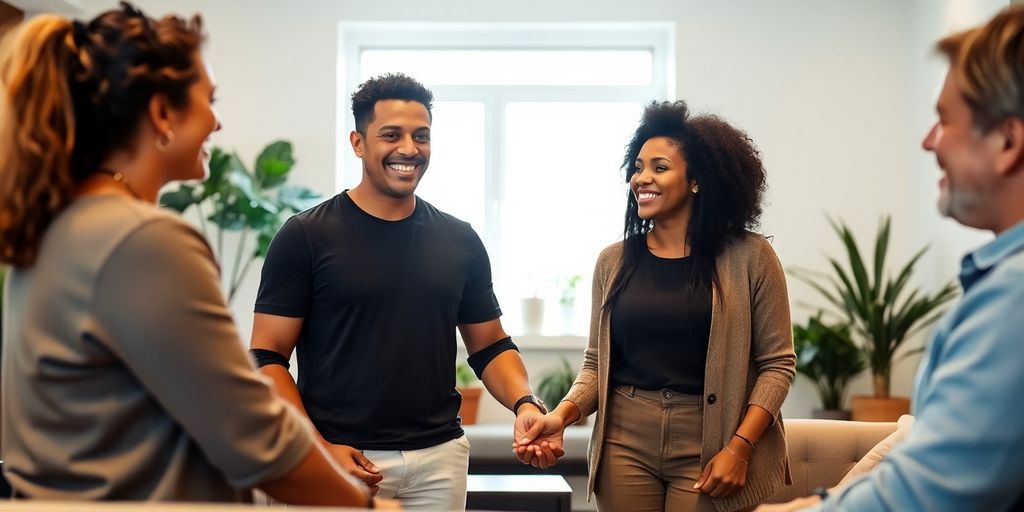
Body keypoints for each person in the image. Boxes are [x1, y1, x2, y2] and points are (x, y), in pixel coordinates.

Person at [0, 3, 395, 507]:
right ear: (163, 114)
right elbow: (253, 436)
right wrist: (367, 504)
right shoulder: (143, 241)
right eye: (208, 100)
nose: (217, 121)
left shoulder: (57, 228)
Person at [757, 6, 1024, 512]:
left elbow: (927, 493)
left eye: (945, 120)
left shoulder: (1013, 298)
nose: (929, 142)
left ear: (1008, 142)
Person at [249, 72, 550, 511]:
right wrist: (315, 447)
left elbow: (489, 346)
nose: (409, 149)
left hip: (440, 461)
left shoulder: (459, 240)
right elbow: (267, 357)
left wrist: (526, 402)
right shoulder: (305, 236)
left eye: (421, 136)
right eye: (391, 135)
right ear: (358, 142)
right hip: (339, 457)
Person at [515, 100, 796, 512]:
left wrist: (740, 447)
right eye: (639, 166)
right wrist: (560, 416)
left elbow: (777, 364)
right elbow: (597, 363)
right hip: (625, 438)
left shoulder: (751, 257)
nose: (642, 178)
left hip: (710, 437)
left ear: (697, 180)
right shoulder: (613, 261)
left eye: (659, 167)